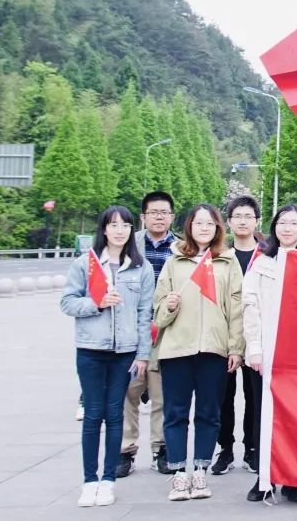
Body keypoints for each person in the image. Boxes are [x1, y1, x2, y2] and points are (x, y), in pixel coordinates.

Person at [61, 206, 155, 507]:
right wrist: (97, 303)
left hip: (124, 353)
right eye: (113, 225)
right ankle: (89, 481)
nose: (119, 231)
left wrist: (143, 355)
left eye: (125, 225)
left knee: (115, 414)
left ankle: (108, 480)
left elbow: (144, 315)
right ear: (103, 229)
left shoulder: (140, 268)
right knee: (92, 414)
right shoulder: (85, 264)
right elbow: (67, 302)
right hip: (91, 349)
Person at [154, 204, 244, 502]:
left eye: (210, 223)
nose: (204, 228)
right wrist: (168, 306)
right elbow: (157, 312)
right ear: (189, 227)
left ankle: (201, 470)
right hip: (177, 349)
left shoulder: (228, 261)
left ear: (218, 227)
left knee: (209, 413)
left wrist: (236, 347)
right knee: (175, 413)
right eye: (198, 223)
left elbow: (237, 309)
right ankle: (179, 472)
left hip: (214, 349)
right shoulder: (174, 261)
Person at [243, 204, 297, 503]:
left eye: (294, 223)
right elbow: (250, 307)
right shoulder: (261, 263)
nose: (287, 228)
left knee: (296, 417)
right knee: (264, 415)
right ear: (274, 227)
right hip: (267, 351)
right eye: (282, 222)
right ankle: (265, 478)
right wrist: (255, 349)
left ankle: (292, 478)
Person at [119, 191, 177, 478]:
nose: (159, 217)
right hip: (133, 331)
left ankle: (160, 449)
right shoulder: (127, 246)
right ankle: (125, 451)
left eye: (164, 212)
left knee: (162, 395)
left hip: (166, 331)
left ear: (172, 217)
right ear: (143, 217)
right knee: (128, 392)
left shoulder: (180, 248)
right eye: (153, 212)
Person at [211, 196, 264, 477]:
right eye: (237, 217)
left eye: (248, 216)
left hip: (257, 337)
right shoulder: (219, 256)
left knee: (255, 396)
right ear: (228, 222)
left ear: (257, 221)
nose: (243, 221)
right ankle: (226, 448)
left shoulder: (267, 255)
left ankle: (252, 448)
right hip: (226, 335)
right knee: (224, 395)